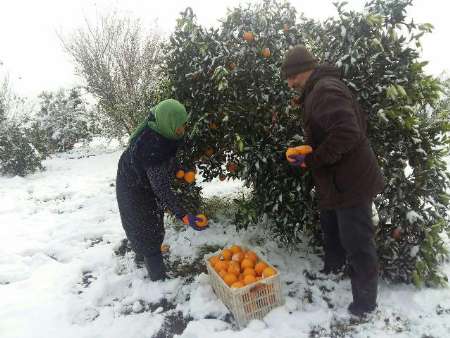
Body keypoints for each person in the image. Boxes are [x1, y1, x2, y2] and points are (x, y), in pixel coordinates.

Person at [281, 45, 384, 316]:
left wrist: (313, 159)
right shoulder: (318, 89)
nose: (290, 83)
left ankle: (365, 304)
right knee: (332, 229)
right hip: (334, 180)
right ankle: (333, 270)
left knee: (358, 242)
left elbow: (348, 132)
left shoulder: (324, 90)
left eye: (292, 77)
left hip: (351, 181)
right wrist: (310, 153)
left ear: (304, 71)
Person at [116, 99, 207, 281]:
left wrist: (180, 170)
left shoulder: (163, 132)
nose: (184, 129)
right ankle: (158, 278)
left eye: (184, 124)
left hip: (141, 181)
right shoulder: (150, 148)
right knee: (146, 228)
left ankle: (143, 256)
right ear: (170, 122)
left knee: (150, 222)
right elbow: (161, 188)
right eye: (181, 125)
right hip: (132, 189)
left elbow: (166, 159)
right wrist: (184, 215)